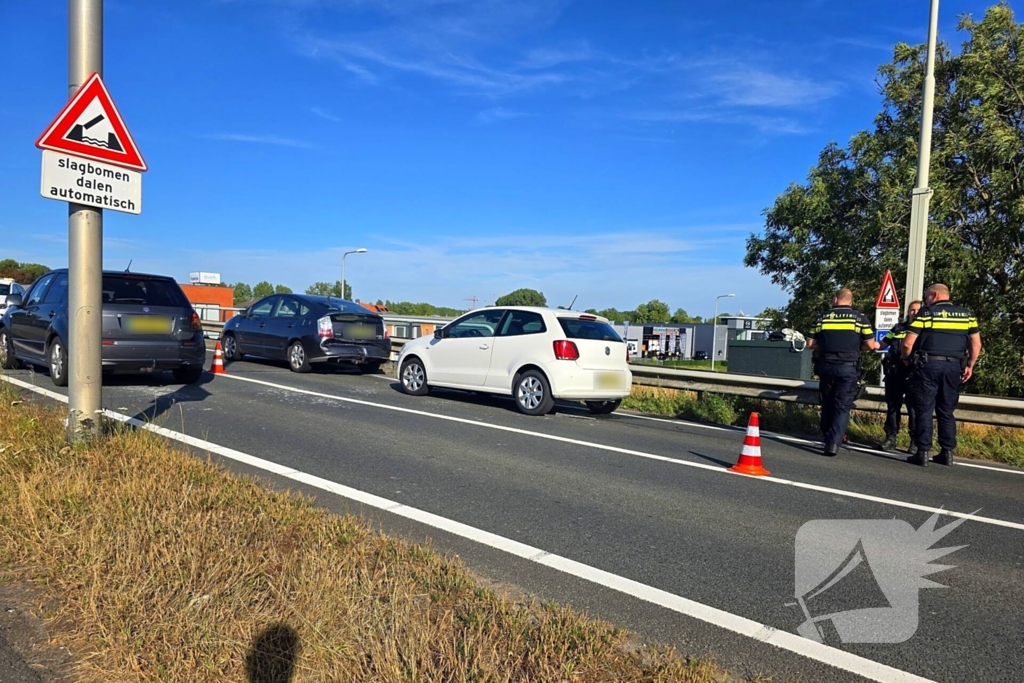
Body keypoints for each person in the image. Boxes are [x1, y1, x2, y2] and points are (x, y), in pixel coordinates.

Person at [901, 284, 982, 467]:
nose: (926, 300)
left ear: (934, 295)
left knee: (924, 409)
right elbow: (976, 344)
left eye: (927, 297)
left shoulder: (926, 313)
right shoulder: (967, 315)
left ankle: (922, 453)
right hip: (954, 367)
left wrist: (906, 360)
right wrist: (970, 365)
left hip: (928, 366)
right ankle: (947, 452)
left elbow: (907, 344)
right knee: (946, 410)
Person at [806, 288, 879, 456]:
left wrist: (825, 346)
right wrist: (854, 347)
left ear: (835, 299)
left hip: (826, 366)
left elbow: (810, 343)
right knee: (842, 406)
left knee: (827, 402)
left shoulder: (822, 318)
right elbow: (870, 345)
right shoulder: (860, 319)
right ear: (851, 302)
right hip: (848, 367)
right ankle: (833, 443)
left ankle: (826, 434)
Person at [879, 300, 922, 453]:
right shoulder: (897, 328)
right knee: (892, 406)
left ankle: (915, 442)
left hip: (913, 373)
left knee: (914, 409)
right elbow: (882, 344)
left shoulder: (924, 329)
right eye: (912, 310)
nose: (914, 313)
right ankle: (890, 438)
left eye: (917, 310)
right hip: (895, 372)